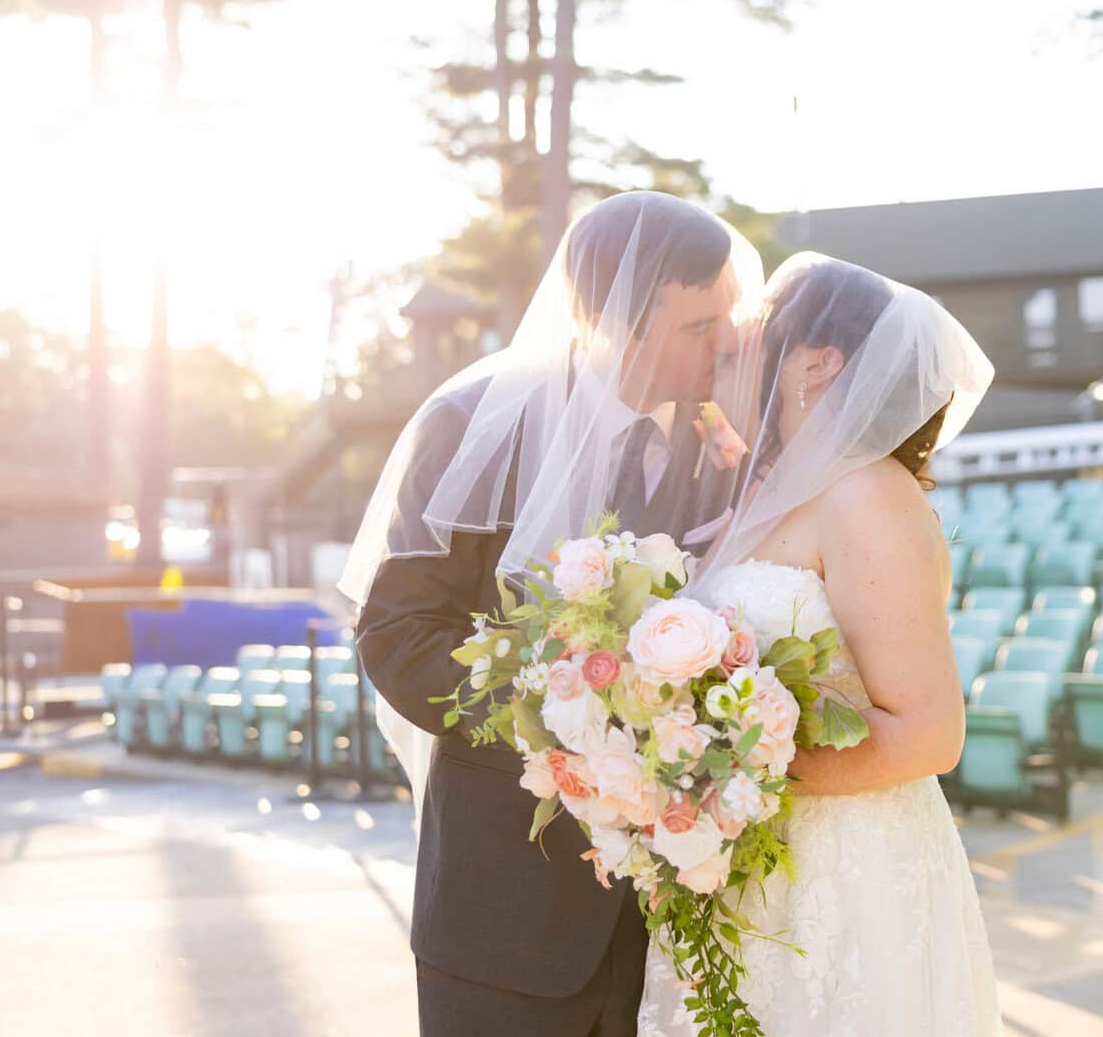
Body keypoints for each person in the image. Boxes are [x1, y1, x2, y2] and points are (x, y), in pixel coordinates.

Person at [338, 191, 763, 1037]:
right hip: (505, 907)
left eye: (727, 318)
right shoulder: (472, 429)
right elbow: (397, 632)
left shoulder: (722, 450)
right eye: (695, 327)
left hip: (671, 922)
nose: (725, 346)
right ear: (608, 319)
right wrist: (568, 721)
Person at [637, 253, 1002, 1036]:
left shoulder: (866, 493)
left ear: (818, 363)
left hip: (843, 867)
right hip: (748, 865)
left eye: (748, 335)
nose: (726, 345)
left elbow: (930, 733)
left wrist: (720, 781)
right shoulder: (757, 494)